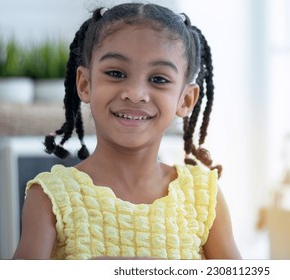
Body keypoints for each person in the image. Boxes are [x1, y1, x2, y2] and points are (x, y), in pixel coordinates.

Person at [13, 2, 241, 260]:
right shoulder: (49, 196)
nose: (135, 94)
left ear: (186, 100)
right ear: (85, 84)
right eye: (116, 73)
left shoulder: (203, 197)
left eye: (158, 79)